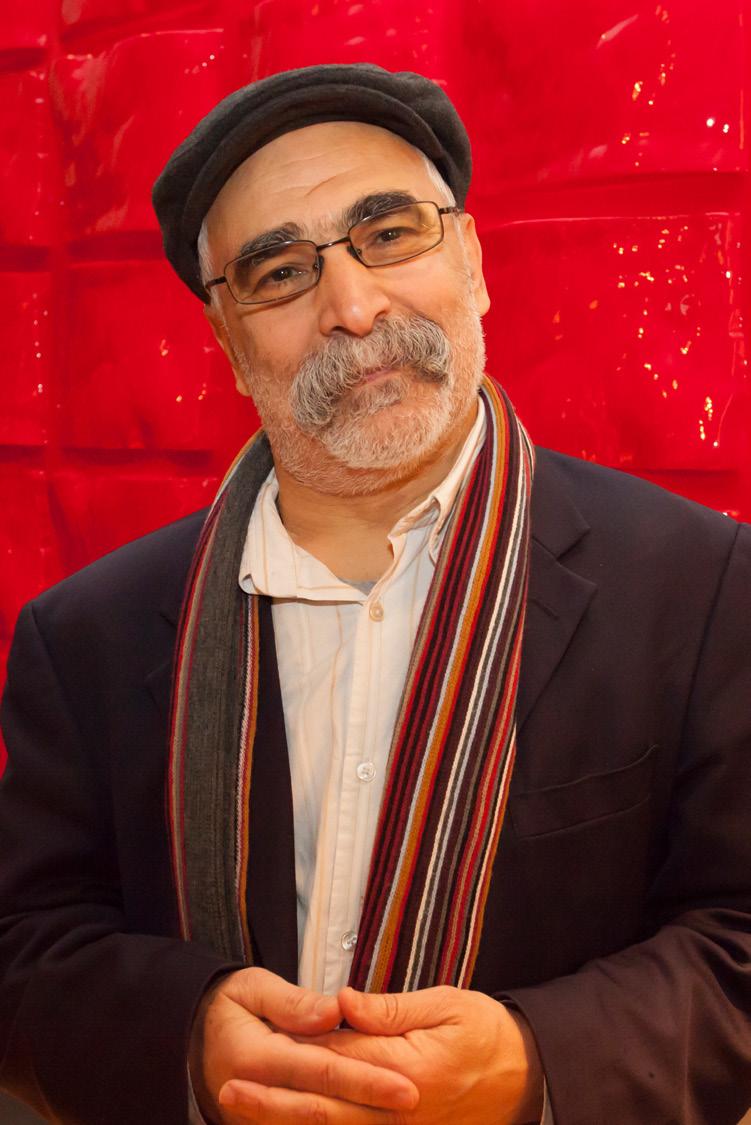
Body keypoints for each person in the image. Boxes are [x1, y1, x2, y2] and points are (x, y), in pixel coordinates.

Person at [0, 63, 749, 1125]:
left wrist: (535, 1066)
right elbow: (25, 946)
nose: (352, 308)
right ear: (227, 342)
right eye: (278, 273)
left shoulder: (703, 588)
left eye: (388, 234)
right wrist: (185, 1040)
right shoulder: (86, 637)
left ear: (472, 261)